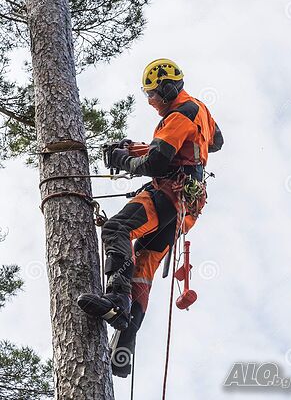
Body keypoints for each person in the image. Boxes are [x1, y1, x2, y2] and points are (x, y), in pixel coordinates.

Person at [78, 58, 224, 377]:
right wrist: (136, 149)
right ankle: (125, 346)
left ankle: (116, 300)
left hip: (171, 192)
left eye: (153, 95)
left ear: (168, 90)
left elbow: (158, 164)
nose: (151, 102)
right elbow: (215, 142)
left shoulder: (178, 114)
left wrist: (123, 160)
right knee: (142, 265)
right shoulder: (198, 111)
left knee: (117, 228)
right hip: (188, 204)